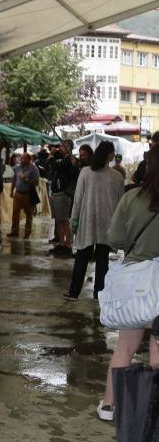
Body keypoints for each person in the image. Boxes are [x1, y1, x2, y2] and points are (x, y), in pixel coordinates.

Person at [96, 145, 159, 421]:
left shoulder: (132, 197)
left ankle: (109, 406)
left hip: (138, 282)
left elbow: (117, 239)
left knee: (125, 347)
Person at [63, 141, 124, 301]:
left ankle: (74, 292)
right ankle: (99, 294)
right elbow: (120, 204)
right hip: (107, 223)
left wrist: (74, 220)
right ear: (110, 155)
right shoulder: (117, 176)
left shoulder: (85, 172)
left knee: (82, 256)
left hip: (87, 221)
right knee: (102, 260)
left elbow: (78, 199)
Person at [46, 140, 79, 257]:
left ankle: (67, 245)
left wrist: (51, 155)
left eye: (62, 146)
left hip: (62, 193)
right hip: (55, 192)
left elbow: (55, 165)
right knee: (58, 220)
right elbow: (49, 166)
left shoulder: (69, 159)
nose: (59, 148)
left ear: (69, 147)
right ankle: (61, 243)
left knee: (64, 220)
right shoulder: (61, 158)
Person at [8, 152, 39, 240]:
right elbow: (14, 179)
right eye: (21, 158)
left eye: (24, 158)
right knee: (15, 214)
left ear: (29, 159)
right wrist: (11, 190)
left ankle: (27, 233)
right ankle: (14, 232)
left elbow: (36, 182)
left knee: (29, 215)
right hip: (18, 193)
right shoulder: (17, 167)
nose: (21, 160)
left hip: (28, 195)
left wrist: (25, 179)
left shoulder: (34, 169)